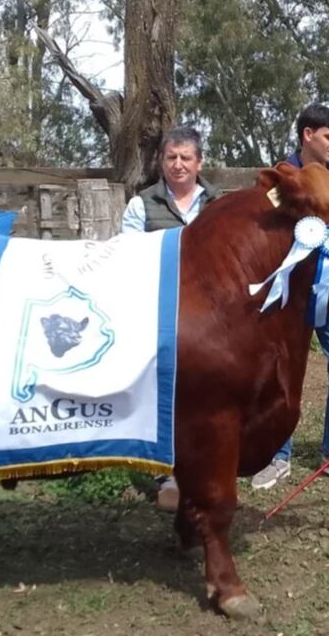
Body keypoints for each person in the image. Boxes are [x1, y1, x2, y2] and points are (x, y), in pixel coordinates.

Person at [250, 103, 329, 489]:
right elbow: (268, 227)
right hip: (290, 295)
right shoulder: (280, 177)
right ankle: (276, 455)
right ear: (308, 135)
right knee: (281, 375)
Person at [119, 125, 222, 512]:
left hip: (211, 315)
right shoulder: (140, 205)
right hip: (159, 311)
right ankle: (169, 475)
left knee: (208, 392)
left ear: (199, 163)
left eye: (185, 158)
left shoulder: (218, 205)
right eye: (171, 157)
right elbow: (129, 259)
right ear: (161, 161)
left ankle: (207, 469)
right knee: (164, 391)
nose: (178, 164)